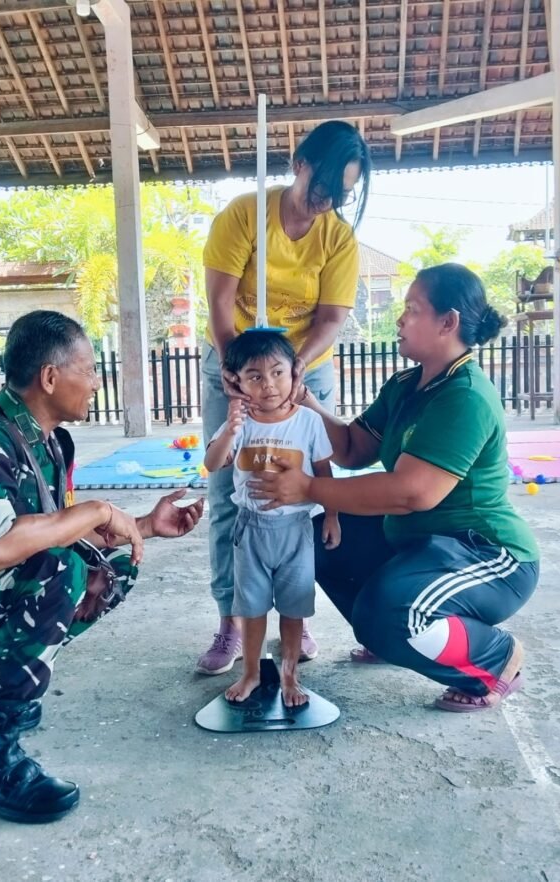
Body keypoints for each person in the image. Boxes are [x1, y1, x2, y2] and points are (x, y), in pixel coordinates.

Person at [0, 310, 204, 823]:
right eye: (89, 369)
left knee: (110, 563)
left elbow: (57, 530)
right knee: (56, 571)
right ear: (50, 377)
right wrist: (97, 510)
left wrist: (142, 525)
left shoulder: (43, 441)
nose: (97, 382)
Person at [249, 264, 540, 712]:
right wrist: (304, 402)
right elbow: (351, 448)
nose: (400, 320)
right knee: (320, 536)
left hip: (486, 554)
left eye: (412, 310)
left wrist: (308, 486)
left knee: (390, 612)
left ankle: (495, 659)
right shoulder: (407, 385)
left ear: (448, 322)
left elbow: (412, 492)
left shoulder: (464, 395)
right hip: (422, 544)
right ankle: (387, 635)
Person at [198, 120, 372, 675]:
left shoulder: (338, 238)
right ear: (299, 164)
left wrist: (295, 369)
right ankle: (231, 620)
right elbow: (221, 305)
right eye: (322, 186)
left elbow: (332, 317)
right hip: (234, 361)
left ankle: (296, 618)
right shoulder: (243, 216)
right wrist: (237, 371)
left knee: (304, 497)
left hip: (306, 372)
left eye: (342, 193)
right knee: (232, 493)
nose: (327, 202)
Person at [204, 332, 339, 706]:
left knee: (294, 609)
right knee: (251, 608)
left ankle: (290, 677)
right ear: (237, 382)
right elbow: (212, 464)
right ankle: (250, 673)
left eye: (278, 373)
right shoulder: (241, 422)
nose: (269, 385)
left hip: (296, 531)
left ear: (294, 375)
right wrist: (229, 432)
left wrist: (332, 516)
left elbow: (324, 471)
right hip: (250, 531)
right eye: (255, 376)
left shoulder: (309, 421)